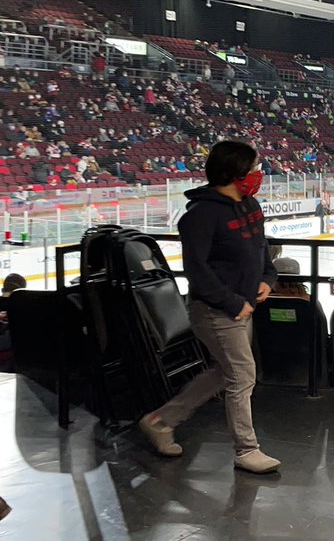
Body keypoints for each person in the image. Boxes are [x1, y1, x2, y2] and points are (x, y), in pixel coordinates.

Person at [138, 141, 281, 474]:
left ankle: (160, 421)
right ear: (235, 172)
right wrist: (233, 303)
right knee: (243, 375)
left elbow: (262, 250)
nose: (260, 173)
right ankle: (247, 450)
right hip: (216, 312)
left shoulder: (250, 205)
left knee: (224, 373)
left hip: (242, 308)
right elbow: (197, 271)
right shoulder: (200, 216)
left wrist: (266, 278)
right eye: (255, 167)